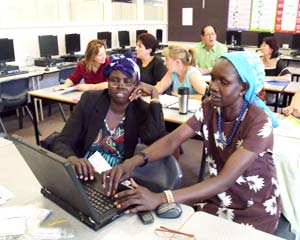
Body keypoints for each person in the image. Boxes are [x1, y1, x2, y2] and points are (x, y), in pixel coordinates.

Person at [102, 51, 281, 234]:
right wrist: (132, 162)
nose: (213, 87)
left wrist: (161, 198)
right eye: (212, 78)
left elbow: (224, 181)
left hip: (253, 211)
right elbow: (173, 140)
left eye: (223, 82)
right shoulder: (210, 107)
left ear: (243, 88)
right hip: (217, 200)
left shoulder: (259, 122)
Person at [52, 57, 166, 180]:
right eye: (115, 80)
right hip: (85, 173)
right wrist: (73, 160)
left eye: (128, 82)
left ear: (136, 85)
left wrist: (154, 94)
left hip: (117, 177)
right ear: (107, 82)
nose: (121, 86)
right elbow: (62, 141)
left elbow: (156, 140)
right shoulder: (90, 100)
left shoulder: (141, 109)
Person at [259, 36, 291, 105]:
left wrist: (270, 78)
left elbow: (288, 77)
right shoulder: (257, 60)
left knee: (267, 99)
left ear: (271, 49)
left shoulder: (278, 61)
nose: (261, 47)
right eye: (261, 45)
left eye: (264, 46)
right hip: (257, 89)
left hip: (271, 92)